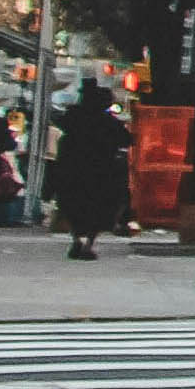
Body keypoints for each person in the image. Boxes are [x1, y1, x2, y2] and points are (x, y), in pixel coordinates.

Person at [47, 76, 138, 259]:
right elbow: (127, 140)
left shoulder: (73, 116)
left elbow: (59, 122)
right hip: (101, 172)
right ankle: (88, 244)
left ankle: (76, 241)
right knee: (98, 209)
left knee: (72, 205)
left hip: (73, 169)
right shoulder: (108, 122)